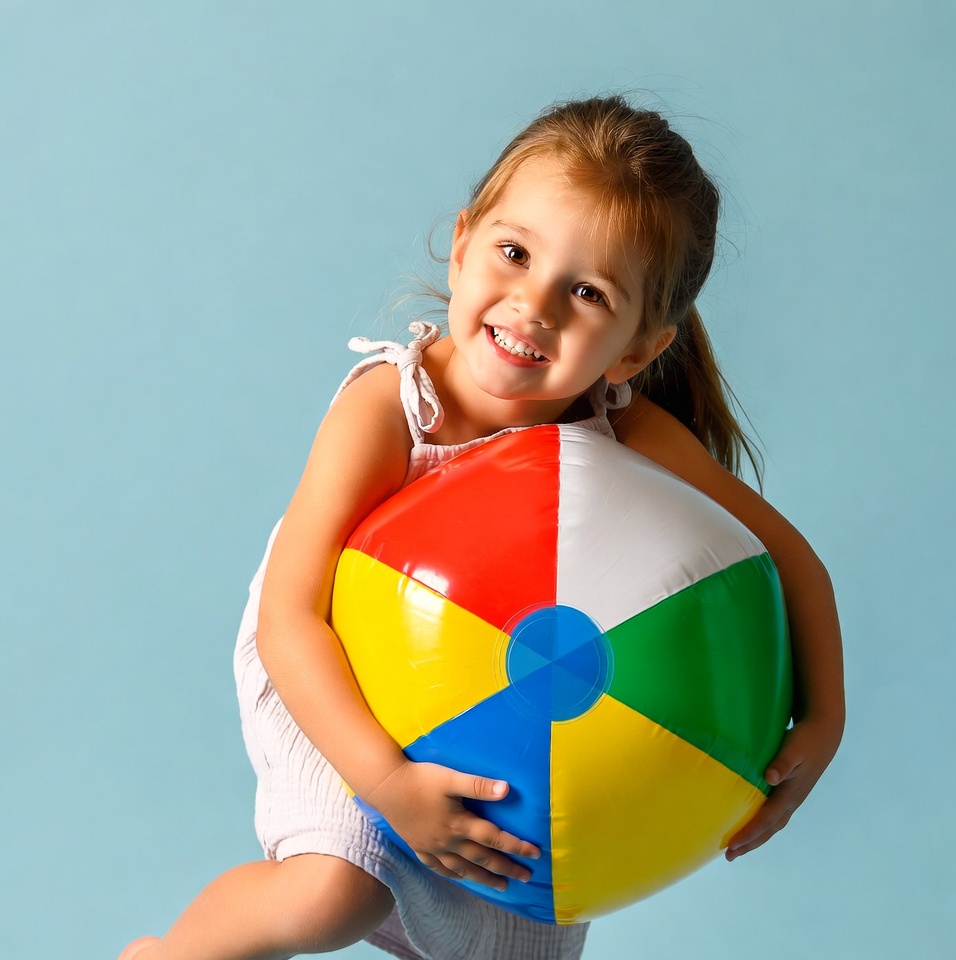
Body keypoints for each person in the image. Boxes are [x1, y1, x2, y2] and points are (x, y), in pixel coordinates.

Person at [120, 95, 844, 960]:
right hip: (337, 660)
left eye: (587, 292)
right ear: (462, 244)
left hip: (542, 701)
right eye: (514, 253)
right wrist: (387, 781)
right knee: (331, 893)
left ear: (637, 350)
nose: (533, 307)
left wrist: (822, 720)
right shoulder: (391, 406)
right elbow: (288, 617)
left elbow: (789, 561)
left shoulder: (629, 428)